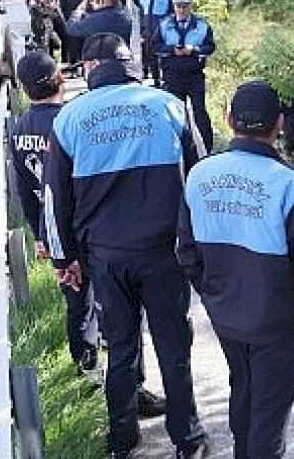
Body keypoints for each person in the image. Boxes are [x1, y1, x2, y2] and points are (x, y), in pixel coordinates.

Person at [43, 33, 209, 459]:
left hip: (106, 256)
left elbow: (54, 199)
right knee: (174, 346)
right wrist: (203, 247)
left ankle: (123, 441)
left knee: (120, 347)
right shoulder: (170, 105)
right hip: (163, 253)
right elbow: (201, 177)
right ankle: (187, 440)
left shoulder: (69, 119)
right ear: (130, 64)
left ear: (90, 69)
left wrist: (65, 259)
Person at [177, 79, 294, 459]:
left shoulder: (199, 175)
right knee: (269, 414)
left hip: (227, 317)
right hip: (277, 323)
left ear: (228, 118)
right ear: (280, 124)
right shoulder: (292, 186)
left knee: (245, 392)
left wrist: (216, 294)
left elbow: (185, 250)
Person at [8, 50, 165, 415]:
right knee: (118, 314)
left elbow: (25, 190)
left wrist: (43, 236)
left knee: (77, 306)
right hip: (89, 230)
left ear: (25, 88)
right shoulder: (71, 121)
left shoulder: (19, 129)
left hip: (56, 233)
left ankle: (86, 375)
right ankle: (130, 390)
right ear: (60, 78)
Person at [155, 0, 215, 152]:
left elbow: (210, 47)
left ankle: (207, 148)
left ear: (190, 7)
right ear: (174, 7)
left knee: (199, 112)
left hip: (194, 75)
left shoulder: (202, 25)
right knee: (175, 114)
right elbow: (155, 46)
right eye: (178, 6)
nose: (181, 10)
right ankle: (176, 148)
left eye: (185, 6)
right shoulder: (164, 24)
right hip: (172, 74)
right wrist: (171, 50)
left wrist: (194, 50)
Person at [138, 0, 172, 84]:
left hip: (161, 28)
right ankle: (156, 79)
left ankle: (166, 79)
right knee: (151, 55)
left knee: (163, 55)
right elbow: (142, 13)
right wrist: (142, 31)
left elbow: (172, 12)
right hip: (148, 28)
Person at [59, 0, 89, 64]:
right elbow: (62, 6)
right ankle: (73, 67)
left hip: (85, 21)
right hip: (72, 21)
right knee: (73, 45)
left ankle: (85, 66)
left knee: (85, 45)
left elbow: (92, 3)